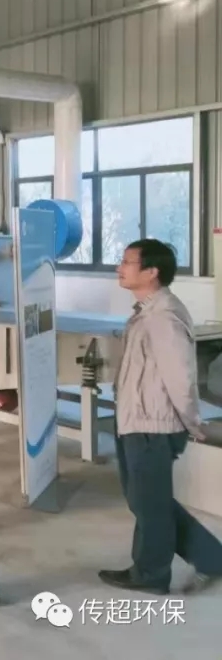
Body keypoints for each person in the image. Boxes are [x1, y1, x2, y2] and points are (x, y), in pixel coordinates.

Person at [98, 239, 222, 595]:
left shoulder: (163, 317)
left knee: (149, 504)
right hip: (137, 421)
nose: (119, 268)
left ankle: (151, 574)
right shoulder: (148, 311)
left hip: (152, 426)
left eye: (127, 262)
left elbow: (181, 376)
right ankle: (210, 558)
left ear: (151, 271)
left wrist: (192, 422)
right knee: (147, 501)